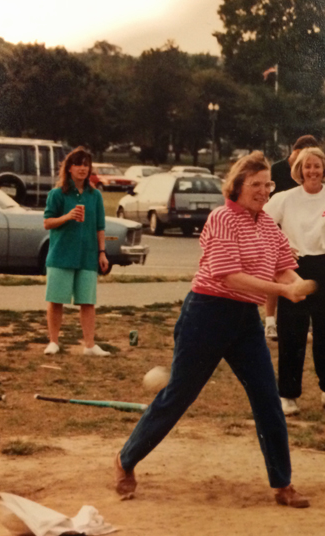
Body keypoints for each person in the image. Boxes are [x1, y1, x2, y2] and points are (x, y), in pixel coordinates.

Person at [115, 152, 313, 508]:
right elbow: (229, 275)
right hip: (206, 314)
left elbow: (284, 267)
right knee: (180, 395)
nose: (264, 191)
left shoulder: (267, 224)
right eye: (256, 184)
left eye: (268, 184)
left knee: (268, 398)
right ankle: (126, 460)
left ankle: (282, 484)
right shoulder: (221, 218)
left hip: (244, 320)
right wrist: (283, 291)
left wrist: (299, 284)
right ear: (236, 186)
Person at [264, 147, 325, 416]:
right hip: (295, 269)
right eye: (307, 166)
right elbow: (263, 223)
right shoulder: (285, 198)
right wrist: (282, 249)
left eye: (317, 166)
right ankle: (288, 396)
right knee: (292, 334)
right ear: (299, 170)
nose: (312, 171)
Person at [42, 148, 110, 356]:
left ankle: (89, 345)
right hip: (62, 254)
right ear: (69, 168)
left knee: (88, 301)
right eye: (78, 164)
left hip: (87, 255)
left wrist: (102, 252)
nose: (82, 169)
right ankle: (53, 341)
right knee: (56, 300)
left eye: (86, 165)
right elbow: (47, 223)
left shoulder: (95, 195)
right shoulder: (57, 194)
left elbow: (100, 226)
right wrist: (67, 216)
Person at [264, 134, 320, 340]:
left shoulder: (309, 171)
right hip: (277, 227)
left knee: (303, 273)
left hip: (301, 229)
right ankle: (270, 321)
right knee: (275, 273)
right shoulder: (277, 170)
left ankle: (304, 320)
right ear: (295, 152)